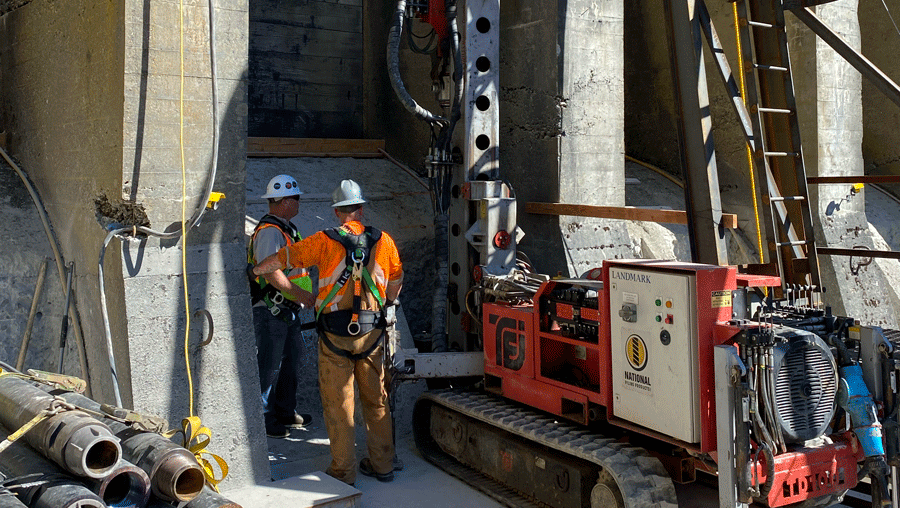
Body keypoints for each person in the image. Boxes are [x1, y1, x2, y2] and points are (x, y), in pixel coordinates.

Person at [251, 179, 403, 485]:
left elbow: (270, 265)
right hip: (372, 334)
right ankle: (383, 465)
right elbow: (396, 280)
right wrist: (384, 300)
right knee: (376, 401)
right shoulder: (384, 241)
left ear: (337, 213)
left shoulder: (322, 241)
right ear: (361, 208)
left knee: (339, 404)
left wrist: (259, 272)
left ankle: (344, 472)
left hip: (335, 336)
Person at [248, 174, 315, 438]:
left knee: (293, 360)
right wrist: (302, 294)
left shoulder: (286, 230)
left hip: (287, 310)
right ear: (285, 201)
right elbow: (270, 273)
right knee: (269, 365)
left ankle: (285, 411)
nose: (298, 203)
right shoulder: (270, 233)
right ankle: (264, 418)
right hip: (272, 310)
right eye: (295, 198)